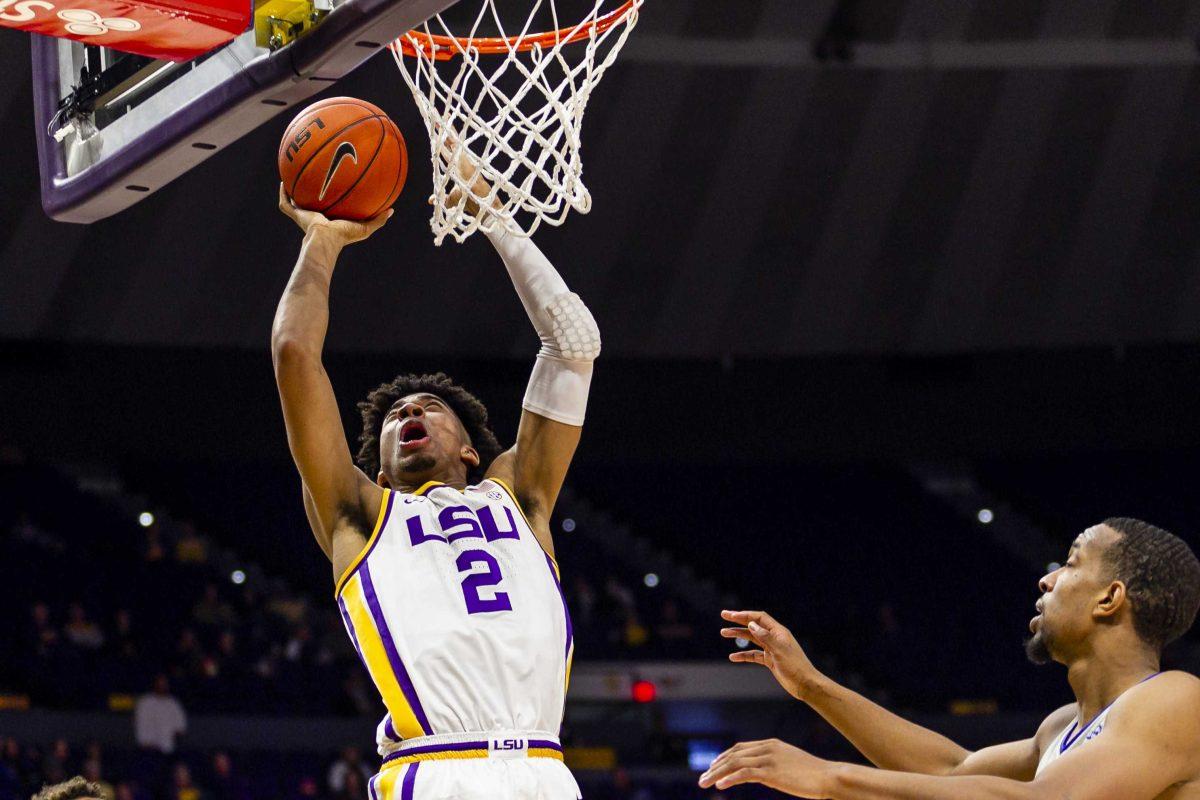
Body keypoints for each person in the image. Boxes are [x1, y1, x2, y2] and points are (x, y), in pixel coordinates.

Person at [272, 156, 597, 800]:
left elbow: (573, 344)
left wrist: (496, 220)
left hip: (546, 769)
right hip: (438, 768)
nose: (409, 413)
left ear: (474, 450)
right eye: (394, 416)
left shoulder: (519, 496)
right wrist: (322, 242)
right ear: (379, 464)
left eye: (427, 408)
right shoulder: (361, 516)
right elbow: (293, 353)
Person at [699, 518, 1200, 799]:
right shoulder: (1063, 728)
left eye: (1069, 563)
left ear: (1109, 599)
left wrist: (832, 778)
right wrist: (811, 685)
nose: (1046, 579)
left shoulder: (1176, 699)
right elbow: (950, 770)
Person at [133, 675, 187, 755]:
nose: (162, 686)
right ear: (154, 684)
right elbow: (140, 724)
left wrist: (174, 737)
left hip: (168, 750)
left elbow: (180, 728)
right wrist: (146, 743)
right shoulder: (144, 702)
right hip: (147, 748)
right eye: (160, 683)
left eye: (164, 684)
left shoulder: (173, 703)